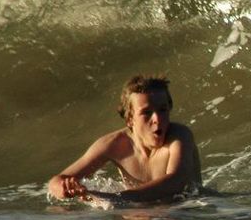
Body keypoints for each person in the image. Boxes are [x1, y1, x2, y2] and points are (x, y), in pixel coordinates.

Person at [47, 75, 202, 204]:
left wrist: (117, 199)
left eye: (163, 110)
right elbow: (57, 181)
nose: (157, 119)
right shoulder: (115, 144)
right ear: (129, 119)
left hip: (184, 212)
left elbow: (177, 181)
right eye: (146, 113)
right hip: (139, 216)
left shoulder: (180, 136)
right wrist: (65, 188)